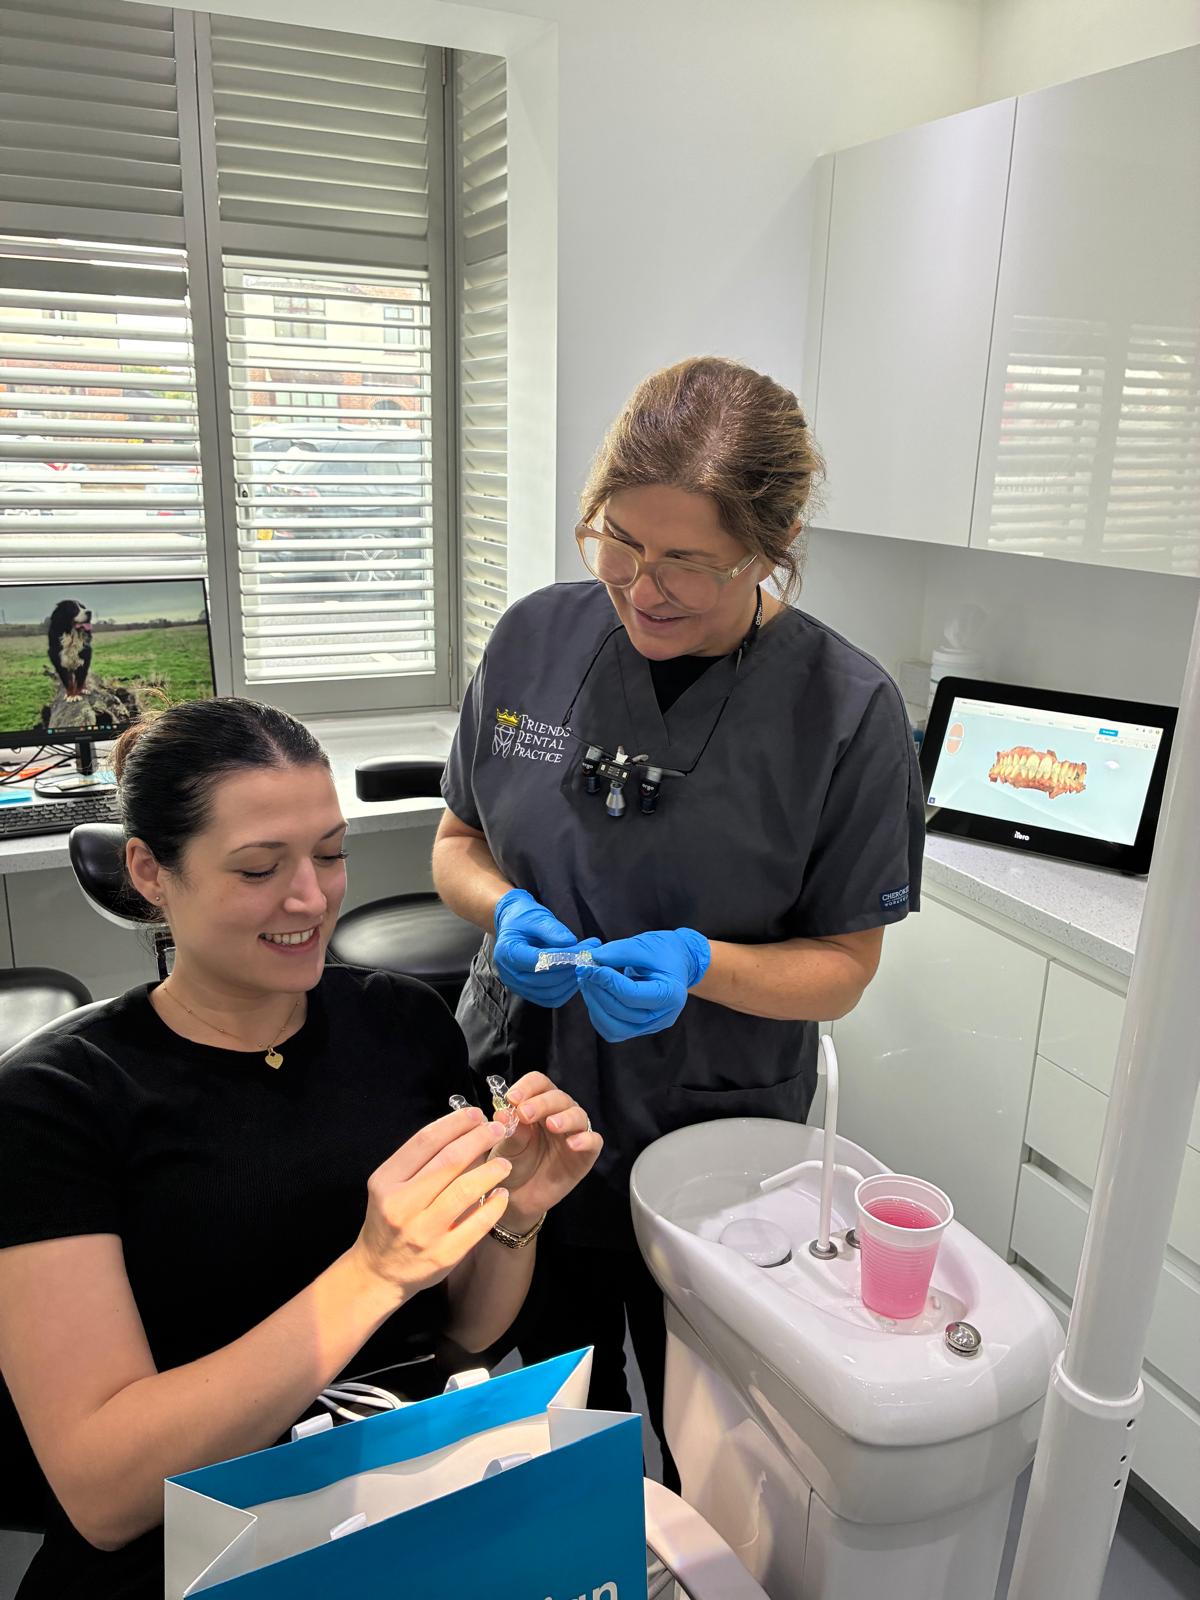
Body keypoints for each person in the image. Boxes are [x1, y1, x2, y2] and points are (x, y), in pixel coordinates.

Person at [432, 356, 924, 1479]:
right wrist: (503, 909)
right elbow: (457, 844)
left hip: (713, 1139)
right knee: (551, 1416)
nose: (642, 589)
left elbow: (845, 963)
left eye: (688, 562)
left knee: (723, 1440)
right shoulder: (534, 641)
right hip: (531, 1100)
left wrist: (702, 962)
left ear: (775, 542)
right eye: (619, 543)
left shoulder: (844, 713)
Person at [0, 697, 600, 1599]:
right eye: (257, 868)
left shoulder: (403, 1023)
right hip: (187, 1549)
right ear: (151, 872)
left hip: (398, 1492)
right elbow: (105, 1493)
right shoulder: (53, 1105)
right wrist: (373, 1272)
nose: (311, 899)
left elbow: (464, 1332)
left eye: (329, 854)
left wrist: (515, 1214)